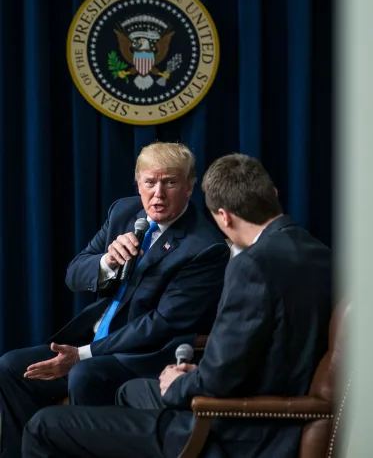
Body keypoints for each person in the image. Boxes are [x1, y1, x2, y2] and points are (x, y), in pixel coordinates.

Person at [22, 153, 334, 458]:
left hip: (230, 427)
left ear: (223, 216)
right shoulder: (323, 256)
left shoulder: (250, 265)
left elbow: (218, 379)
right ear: (274, 195)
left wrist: (180, 382)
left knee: (43, 426)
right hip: (267, 406)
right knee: (128, 392)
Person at [0, 141, 229, 458]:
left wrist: (82, 355)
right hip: (94, 341)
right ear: (138, 183)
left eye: (170, 183)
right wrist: (106, 262)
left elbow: (161, 324)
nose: (158, 194)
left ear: (189, 187)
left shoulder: (204, 247)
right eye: (149, 182)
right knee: (11, 367)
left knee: (84, 374)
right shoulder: (123, 212)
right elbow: (74, 274)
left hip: (143, 355)